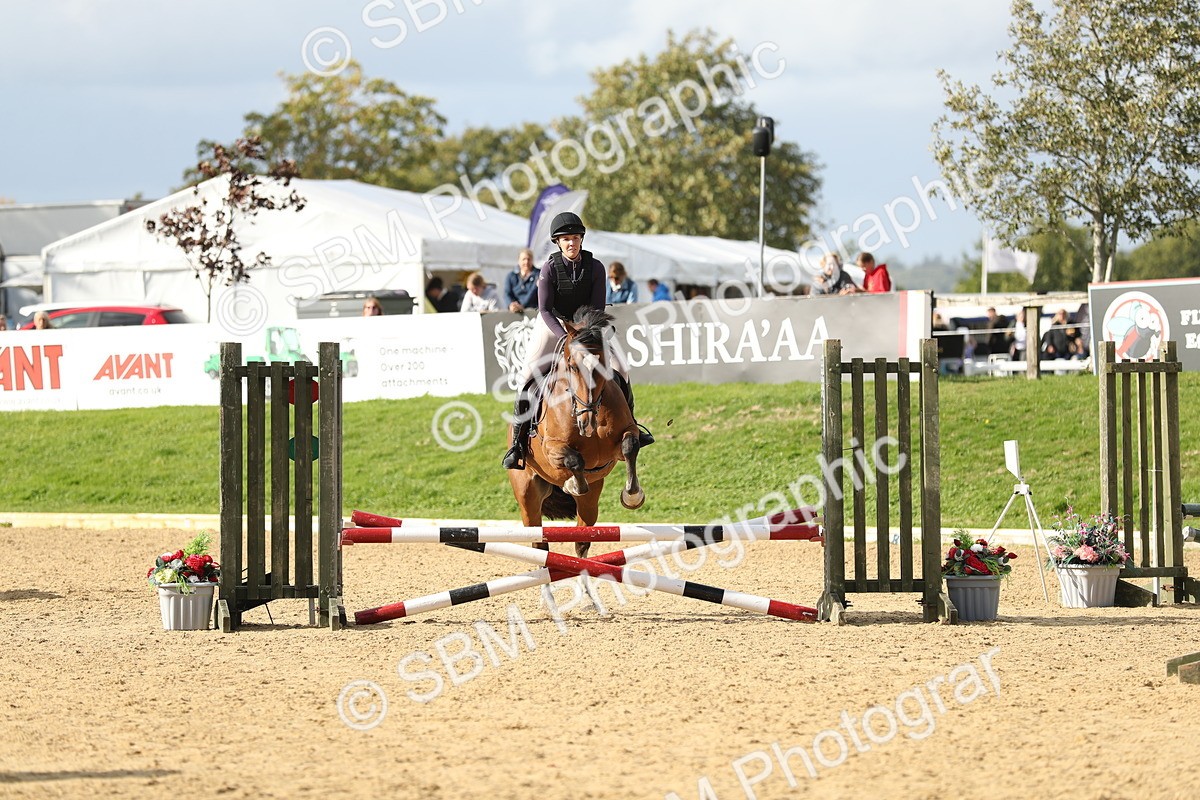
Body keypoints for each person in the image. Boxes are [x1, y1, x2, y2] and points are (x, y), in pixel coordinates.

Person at [501, 212, 653, 470]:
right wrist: (565, 337)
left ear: (581, 239)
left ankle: (632, 425)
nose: (571, 243)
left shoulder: (596, 267)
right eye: (566, 239)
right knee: (527, 374)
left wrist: (582, 335)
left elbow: (596, 308)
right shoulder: (549, 268)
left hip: (588, 325)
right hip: (554, 324)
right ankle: (517, 445)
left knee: (622, 368)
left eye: (575, 238)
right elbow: (544, 309)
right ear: (558, 243)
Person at [504, 248, 540, 313]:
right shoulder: (511, 276)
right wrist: (511, 305)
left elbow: (533, 293)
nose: (526, 262)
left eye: (529, 259)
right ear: (519, 261)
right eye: (524, 259)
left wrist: (522, 305)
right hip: (515, 311)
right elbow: (507, 293)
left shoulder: (539, 274)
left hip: (533, 310)